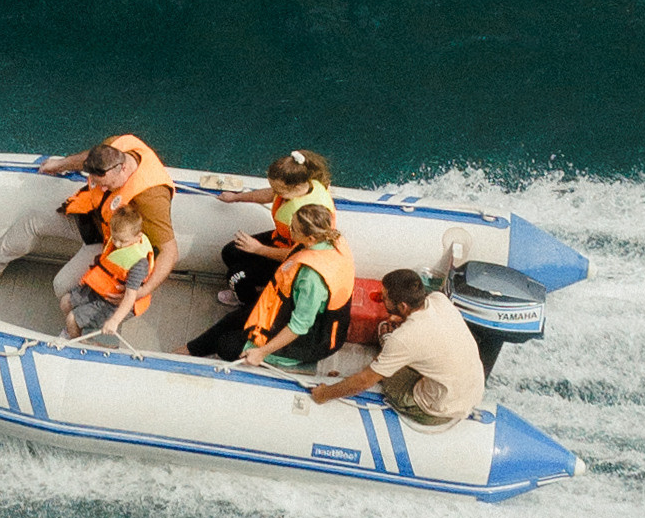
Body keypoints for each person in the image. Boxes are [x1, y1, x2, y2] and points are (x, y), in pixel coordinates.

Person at [0, 134, 179, 315]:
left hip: (112, 246)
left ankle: (88, 327)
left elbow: (170, 251)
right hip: (90, 220)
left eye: (108, 186)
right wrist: (60, 165)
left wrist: (142, 291)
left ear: (123, 169)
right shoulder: (114, 149)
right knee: (32, 219)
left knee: (61, 286)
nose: (104, 189)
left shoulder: (152, 198)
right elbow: (88, 158)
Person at [187, 200, 356, 369]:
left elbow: (299, 326)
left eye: (294, 229)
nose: (290, 231)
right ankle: (189, 350)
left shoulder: (311, 278)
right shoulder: (330, 240)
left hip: (311, 339)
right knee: (233, 319)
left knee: (226, 346)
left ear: (310, 238)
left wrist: (262, 352)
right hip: (287, 307)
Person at [308, 267, 486, 426]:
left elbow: (365, 380)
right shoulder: (439, 299)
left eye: (385, 298)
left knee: (389, 373)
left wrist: (325, 394)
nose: (382, 300)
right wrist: (404, 320)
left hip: (440, 408)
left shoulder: (403, 339)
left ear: (402, 306)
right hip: (471, 390)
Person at [214, 148, 336, 306]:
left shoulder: (305, 218)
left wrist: (258, 249)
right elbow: (271, 194)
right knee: (230, 253)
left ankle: (250, 306)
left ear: (295, 186)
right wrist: (236, 198)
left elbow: (302, 255)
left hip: (297, 260)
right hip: (283, 240)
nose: (275, 192)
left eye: (278, 190)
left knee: (235, 276)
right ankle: (258, 286)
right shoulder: (306, 184)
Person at [62, 209, 154, 341]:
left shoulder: (138, 263)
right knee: (65, 302)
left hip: (115, 302)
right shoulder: (118, 241)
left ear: (138, 237)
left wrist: (115, 321)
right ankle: (75, 332)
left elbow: (129, 296)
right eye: (115, 238)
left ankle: (80, 343)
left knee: (72, 319)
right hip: (102, 289)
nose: (117, 244)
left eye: (122, 241)